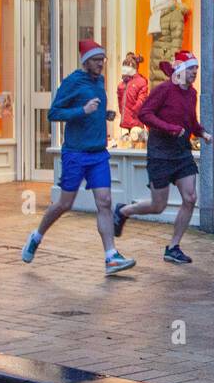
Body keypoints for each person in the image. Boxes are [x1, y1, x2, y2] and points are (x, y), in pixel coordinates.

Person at [21, 39, 135, 276]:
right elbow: (54, 113)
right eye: (95, 61)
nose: (100, 65)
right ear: (85, 61)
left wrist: (105, 113)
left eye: (102, 60)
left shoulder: (100, 81)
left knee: (104, 202)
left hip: (98, 153)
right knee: (64, 204)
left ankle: (110, 256)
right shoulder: (72, 81)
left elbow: (95, 109)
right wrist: (82, 111)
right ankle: (37, 235)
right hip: (75, 153)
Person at [113, 51, 211, 264]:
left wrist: (202, 132)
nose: (195, 72)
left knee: (190, 198)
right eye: (192, 68)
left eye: (197, 68)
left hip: (182, 153)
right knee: (159, 205)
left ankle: (173, 247)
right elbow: (144, 114)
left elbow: (191, 122)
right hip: (160, 153)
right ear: (180, 70)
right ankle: (123, 211)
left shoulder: (191, 94)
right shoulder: (164, 90)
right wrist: (170, 129)